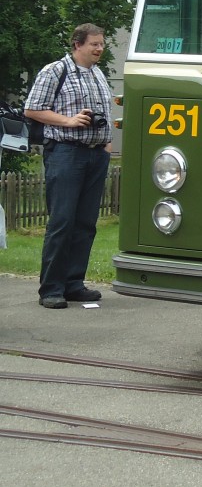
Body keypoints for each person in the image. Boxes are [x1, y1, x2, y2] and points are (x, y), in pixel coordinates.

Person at [24, 24, 114, 310]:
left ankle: (74, 284)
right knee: (62, 221)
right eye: (94, 44)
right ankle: (51, 288)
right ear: (77, 44)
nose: (100, 49)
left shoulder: (98, 73)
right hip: (66, 154)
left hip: (95, 155)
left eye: (102, 44)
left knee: (86, 223)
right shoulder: (55, 71)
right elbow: (32, 108)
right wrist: (69, 121)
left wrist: (106, 142)